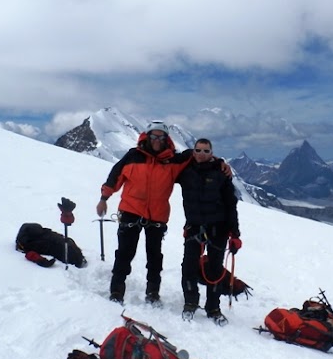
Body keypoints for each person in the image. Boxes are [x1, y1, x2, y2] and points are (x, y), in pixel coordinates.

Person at [96, 121, 191, 305]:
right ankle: (116, 291)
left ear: (166, 139)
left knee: (154, 256)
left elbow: (197, 155)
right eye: (154, 136)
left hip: (157, 214)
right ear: (147, 137)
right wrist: (104, 198)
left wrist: (220, 163)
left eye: (161, 137)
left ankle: (153, 292)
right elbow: (115, 176)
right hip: (130, 210)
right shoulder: (133, 156)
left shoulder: (174, 160)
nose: (157, 140)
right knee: (124, 253)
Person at [176, 138, 241, 325]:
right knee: (188, 266)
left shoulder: (221, 174)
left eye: (206, 151)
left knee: (215, 269)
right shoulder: (185, 171)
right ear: (193, 151)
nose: (201, 154)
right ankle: (190, 302)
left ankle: (213, 308)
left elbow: (231, 204)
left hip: (218, 228)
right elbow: (172, 159)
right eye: (198, 150)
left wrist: (235, 234)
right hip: (194, 226)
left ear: (211, 153)